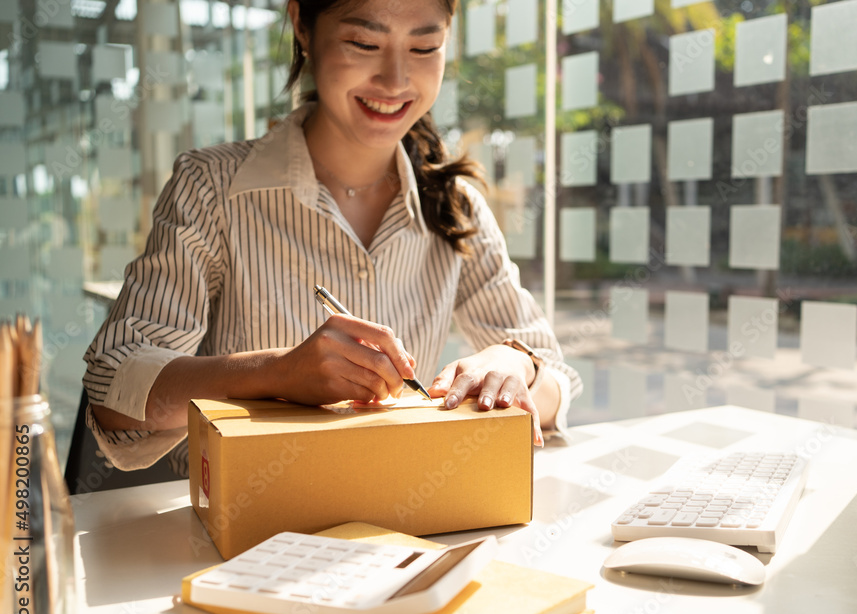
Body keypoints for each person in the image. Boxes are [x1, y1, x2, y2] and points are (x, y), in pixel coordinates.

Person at [82, 0, 581, 473]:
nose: (396, 80)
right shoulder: (212, 189)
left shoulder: (455, 205)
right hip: (245, 539)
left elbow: (557, 378)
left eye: (425, 48)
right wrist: (273, 374)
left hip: (406, 523)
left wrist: (514, 363)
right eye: (364, 43)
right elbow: (112, 393)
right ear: (302, 24)